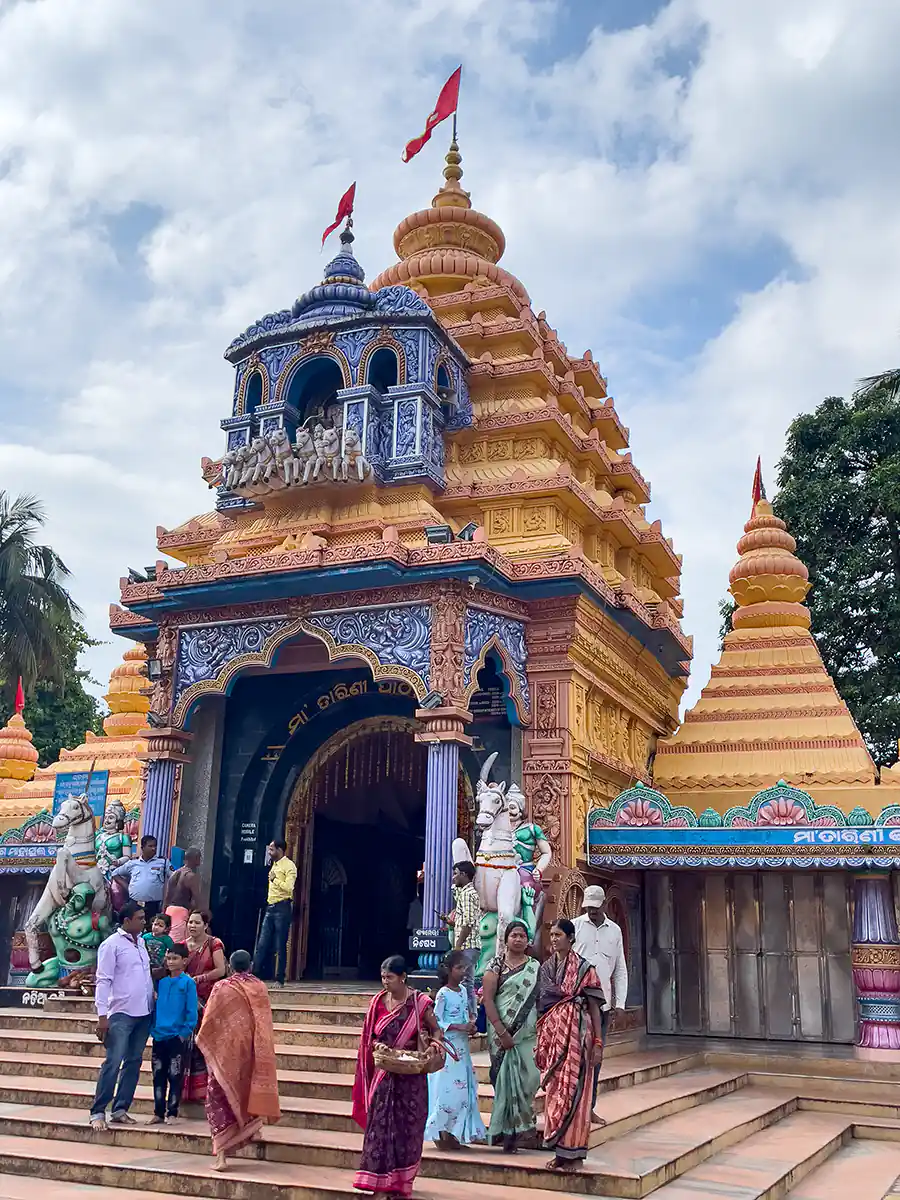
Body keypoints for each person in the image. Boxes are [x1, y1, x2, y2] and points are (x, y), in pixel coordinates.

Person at [352, 955, 441, 1198]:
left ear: (403, 977)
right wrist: (377, 1047)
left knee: (407, 1131)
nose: (385, 982)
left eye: (389, 977)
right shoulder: (377, 1003)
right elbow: (370, 1037)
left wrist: (432, 1046)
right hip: (384, 1077)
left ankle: (401, 1183)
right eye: (382, 977)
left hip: (410, 1078)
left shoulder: (420, 1003)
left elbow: (436, 1030)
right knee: (379, 1128)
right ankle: (376, 1180)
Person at [197, 948, 281, 1172]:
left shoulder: (221, 987)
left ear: (229, 966)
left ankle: (221, 1156)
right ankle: (253, 1130)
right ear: (250, 966)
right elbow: (263, 1022)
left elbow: (210, 1021)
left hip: (225, 1052)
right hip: (252, 1050)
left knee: (218, 1099)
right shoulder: (260, 987)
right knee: (247, 1091)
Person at [536, 918, 605, 1172]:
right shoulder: (546, 969)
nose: (554, 939)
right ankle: (560, 1153)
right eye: (552, 935)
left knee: (578, 1093)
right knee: (556, 1093)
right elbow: (543, 1004)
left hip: (579, 1037)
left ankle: (575, 1154)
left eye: (559, 935)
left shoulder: (586, 969)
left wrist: (598, 1042)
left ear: (571, 938)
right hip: (554, 1038)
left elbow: (595, 1009)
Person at [89, 901, 154, 1131]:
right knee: (113, 1061)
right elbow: (103, 980)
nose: (144, 922)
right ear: (127, 921)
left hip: (144, 1012)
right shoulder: (111, 945)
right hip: (120, 1013)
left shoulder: (142, 943)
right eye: (140, 918)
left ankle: (120, 1109)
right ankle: (98, 1111)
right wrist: (102, 1016)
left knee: (134, 1062)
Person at [481, 919, 541, 1154]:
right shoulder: (495, 965)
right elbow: (488, 1000)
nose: (518, 939)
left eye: (522, 936)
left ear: (528, 941)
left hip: (527, 1034)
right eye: (514, 935)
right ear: (505, 939)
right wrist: (502, 1031)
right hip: (500, 1034)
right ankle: (508, 1136)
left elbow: (539, 999)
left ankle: (520, 1128)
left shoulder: (534, 967)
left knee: (530, 1078)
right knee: (504, 1081)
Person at [573, 885, 628, 1123]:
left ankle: (589, 1107)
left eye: (596, 907)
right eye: (588, 907)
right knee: (574, 1057)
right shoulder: (574, 926)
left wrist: (620, 1003)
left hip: (603, 1007)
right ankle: (572, 1108)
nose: (592, 911)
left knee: (595, 1058)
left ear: (604, 905)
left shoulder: (614, 931)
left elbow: (620, 969)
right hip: (577, 1005)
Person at [425, 950, 486, 1149]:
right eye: (459, 968)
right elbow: (436, 1021)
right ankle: (440, 1134)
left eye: (465, 968)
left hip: (462, 1049)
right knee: (446, 1090)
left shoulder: (463, 991)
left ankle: (453, 1133)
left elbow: (464, 1015)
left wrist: (470, 1026)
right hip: (448, 1048)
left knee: (462, 1091)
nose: (463, 971)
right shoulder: (443, 993)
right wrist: (458, 1027)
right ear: (448, 970)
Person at [148, 943, 198, 1125]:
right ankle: (158, 1112)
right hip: (159, 1035)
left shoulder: (188, 983)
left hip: (177, 1036)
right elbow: (154, 1008)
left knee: (175, 1075)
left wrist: (184, 1032)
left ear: (184, 961)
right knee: (158, 1075)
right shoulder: (161, 983)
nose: (171, 962)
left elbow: (192, 1011)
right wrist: (153, 1028)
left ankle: (172, 1113)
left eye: (175, 958)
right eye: (168, 958)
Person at [181, 909, 227, 1103]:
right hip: (186, 1002)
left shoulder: (214, 944)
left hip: (207, 1001)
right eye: (190, 922)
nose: (192, 926)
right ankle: (185, 1092)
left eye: (197, 922)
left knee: (204, 1044)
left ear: (206, 925)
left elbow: (221, 970)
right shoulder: (182, 946)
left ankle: (207, 1091)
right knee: (186, 1046)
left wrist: (199, 979)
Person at [252, 839, 297, 988]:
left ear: (280, 850)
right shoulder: (274, 865)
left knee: (280, 944)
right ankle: (254, 976)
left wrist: (275, 879)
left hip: (282, 908)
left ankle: (279, 978)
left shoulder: (289, 866)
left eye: (272, 849)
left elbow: (289, 888)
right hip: (270, 907)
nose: (269, 852)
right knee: (262, 943)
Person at [111, 835, 170, 924]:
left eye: (155, 846)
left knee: (151, 927)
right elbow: (115, 874)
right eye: (150, 846)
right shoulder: (133, 863)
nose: (153, 849)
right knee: (134, 926)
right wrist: (127, 887)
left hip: (153, 905)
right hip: (135, 904)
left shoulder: (163, 862)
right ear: (142, 848)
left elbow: (174, 876)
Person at [449, 861, 481, 1019]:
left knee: (464, 982)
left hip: (467, 945)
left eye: (456, 873)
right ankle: (471, 1015)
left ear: (464, 874)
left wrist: (458, 946)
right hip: (470, 945)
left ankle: (468, 1017)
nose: (453, 877)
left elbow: (468, 923)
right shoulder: (465, 892)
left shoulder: (468, 894)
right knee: (467, 982)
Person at [164, 848, 202, 942]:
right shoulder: (191, 876)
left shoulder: (174, 874)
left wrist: (163, 913)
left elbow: (167, 896)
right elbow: (197, 899)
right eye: (199, 858)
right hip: (181, 912)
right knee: (178, 942)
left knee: (168, 939)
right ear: (195, 858)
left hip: (169, 910)